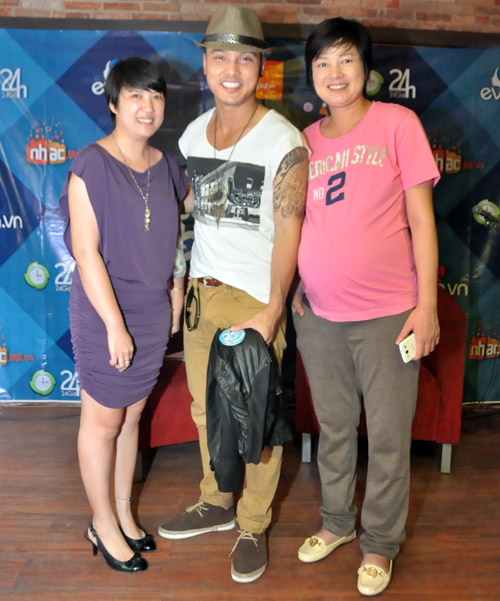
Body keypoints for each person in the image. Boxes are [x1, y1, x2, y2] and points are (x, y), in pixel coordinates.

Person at [158, 5, 308, 584]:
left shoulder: (283, 140)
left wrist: (273, 310)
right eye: (220, 57)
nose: (231, 69)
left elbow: (290, 231)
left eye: (244, 59)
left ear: (260, 68)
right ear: (204, 64)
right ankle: (217, 501)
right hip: (203, 294)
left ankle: (252, 522)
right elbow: (194, 210)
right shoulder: (193, 134)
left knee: (256, 420)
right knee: (206, 410)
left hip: (253, 301)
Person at [292, 17, 440, 596]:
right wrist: (297, 283)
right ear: (311, 73)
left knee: (387, 437)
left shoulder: (398, 124)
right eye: (323, 62)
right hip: (320, 318)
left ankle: (379, 543)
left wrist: (426, 307)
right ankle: (336, 523)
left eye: (346, 59)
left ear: (367, 68)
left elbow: (422, 221)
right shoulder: (303, 142)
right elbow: (297, 223)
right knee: (333, 429)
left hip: (389, 316)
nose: (335, 73)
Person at [60, 57, 188, 573]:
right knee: (103, 419)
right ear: (114, 103)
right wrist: (115, 325)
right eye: (135, 95)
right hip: (104, 310)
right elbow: (85, 253)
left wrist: (177, 289)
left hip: (153, 309)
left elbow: (178, 236)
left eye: (155, 96)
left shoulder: (167, 165)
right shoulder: (90, 164)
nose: (147, 106)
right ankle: (101, 523)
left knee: (133, 416)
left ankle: (122, 513)